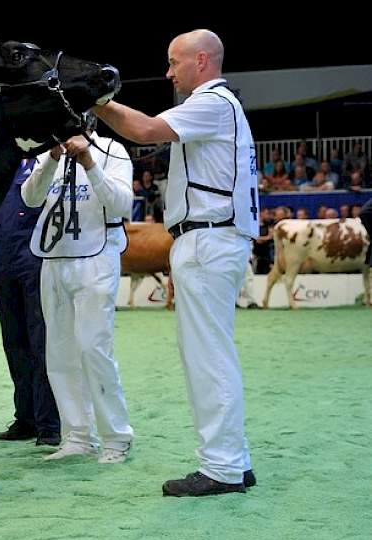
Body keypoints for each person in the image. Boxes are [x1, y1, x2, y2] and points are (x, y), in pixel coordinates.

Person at [93, 29, 258, 496]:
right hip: (212, 239)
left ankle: (223, 467)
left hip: (208, 240)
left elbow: (144, 131)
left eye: (173, 62)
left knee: (207, 357)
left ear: (201, 60)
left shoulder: (213, 103)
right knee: (212, 354)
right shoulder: (222, 106)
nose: (168, 72)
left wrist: (96, 101)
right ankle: (233, 458)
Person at [21, 112, 135, 463]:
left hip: (97, 257)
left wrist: (89, 163)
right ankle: (76, 435)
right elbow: (30, 199)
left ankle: (117, 437)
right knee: (59, 352)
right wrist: (52, 158)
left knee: (93, 348)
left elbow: (122, 204)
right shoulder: (47, 156)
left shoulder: (113, 151)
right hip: (54, 258)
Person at [0, 157, 62, 447]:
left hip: (35, 259)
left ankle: (49, 424)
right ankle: (26, 417)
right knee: (14, 343)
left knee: (40, 342)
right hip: (0, 260)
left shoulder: (48, 161)